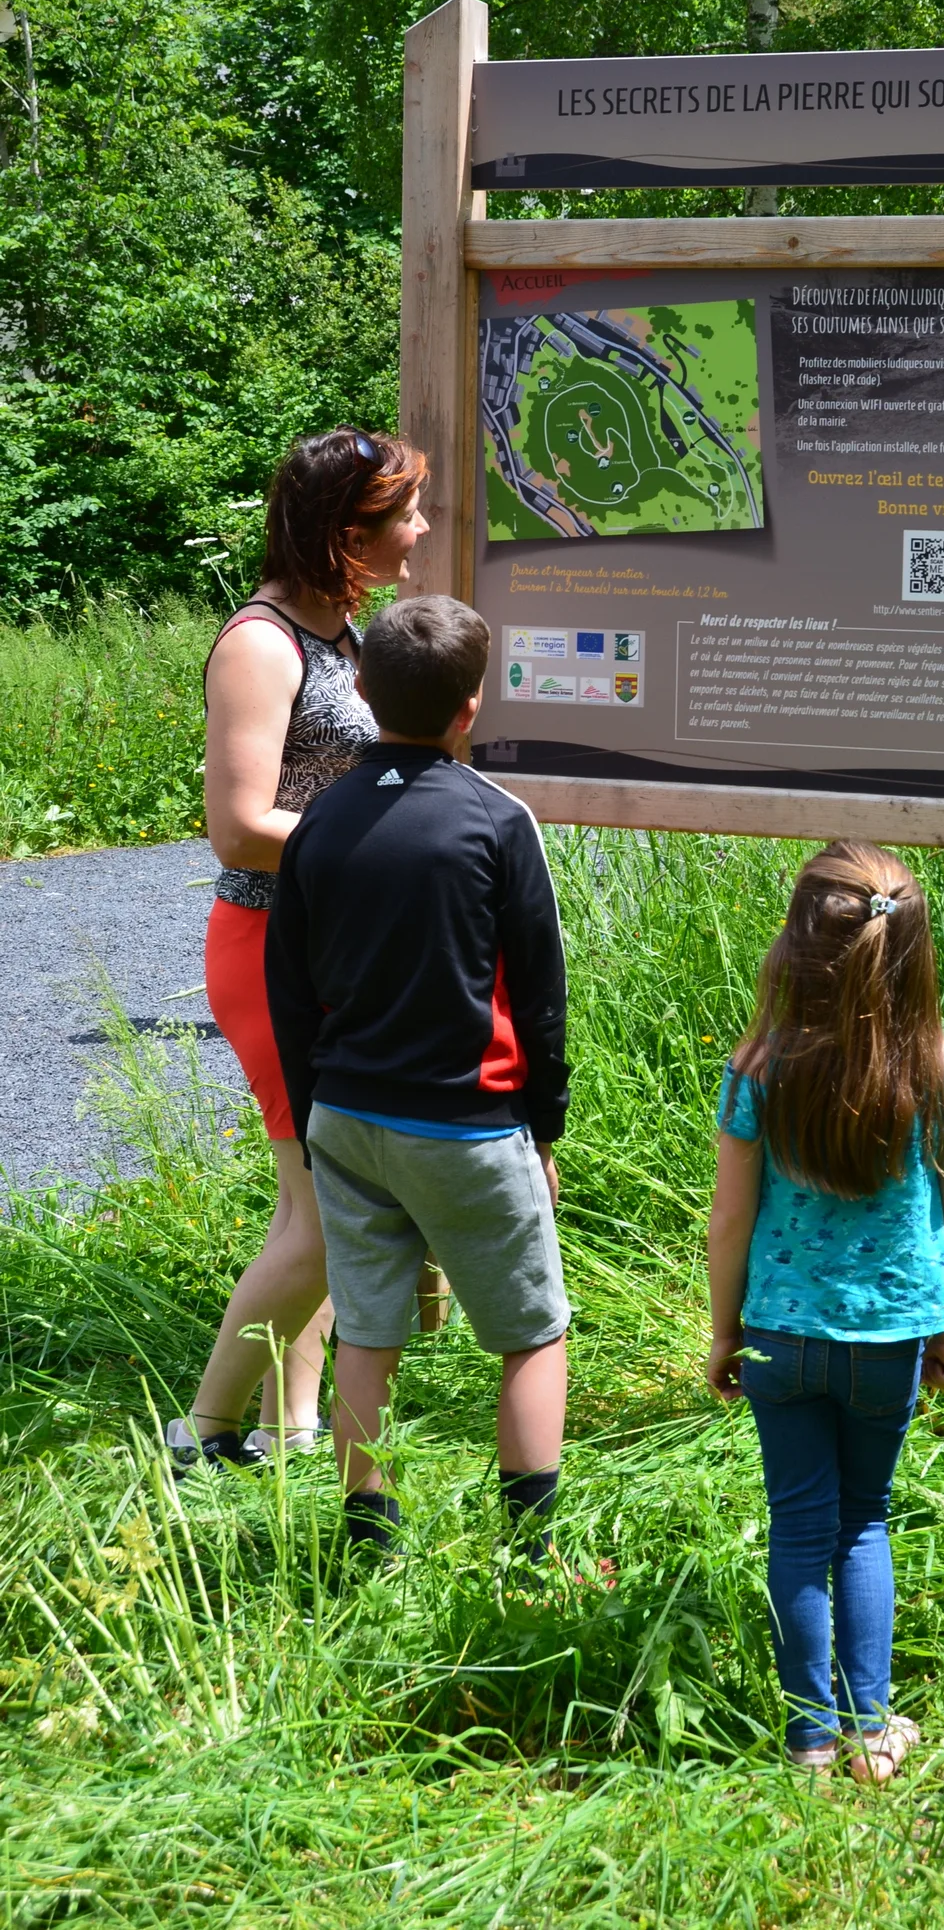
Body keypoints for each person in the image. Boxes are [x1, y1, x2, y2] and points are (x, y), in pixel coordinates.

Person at [264, 595, 571, 1558]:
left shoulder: (315, 823)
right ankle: (530, 1552)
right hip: (469, 1121)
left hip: (347, 1118)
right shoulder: (496, 820)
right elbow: (541, 993)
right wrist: (544, 1128)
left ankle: (369, 1532)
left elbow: (289, 988)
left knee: (368, 1329)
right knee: (531, 1332)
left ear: (359, 689)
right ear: (472, 707)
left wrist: (314, 1115)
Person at [166, 428, 431, 1471]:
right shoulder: (262, 643)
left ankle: (292, 1424)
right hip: (274, 947)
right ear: (343, 532)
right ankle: (204, 1429)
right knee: (329, 1208)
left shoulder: (347, 633)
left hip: (337, 947)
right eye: (402, 514)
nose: (420, 530)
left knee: (321, 1204)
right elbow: (236, 826)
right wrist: (393, 843)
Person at [705, 841, 944, 1784]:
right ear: (912, 956)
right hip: (889, 1339)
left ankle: (807, 1744)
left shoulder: (758, 1068)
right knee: (863, 1521)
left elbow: (730, 1224)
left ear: (795, 951)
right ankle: (871, 1733)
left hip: (781, 1337)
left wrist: (724, 1332)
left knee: (798, 1529)